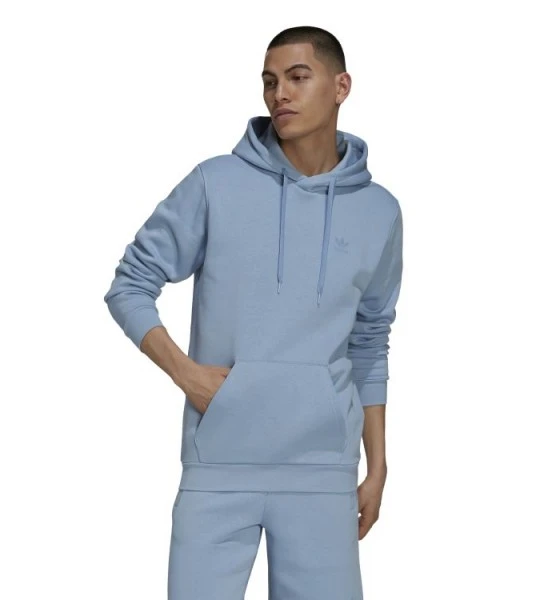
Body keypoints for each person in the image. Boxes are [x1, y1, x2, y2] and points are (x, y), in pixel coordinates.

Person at [104, 25, 404, 600]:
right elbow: (130, 284)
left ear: (341, 86)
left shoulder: (379, 211)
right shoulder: (215, 183)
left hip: (322, 470)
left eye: (297, 77)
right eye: (269, 81)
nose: (279, 94)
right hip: (219, 464)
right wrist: (186, 374)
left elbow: (370, 340)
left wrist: (379, 465)